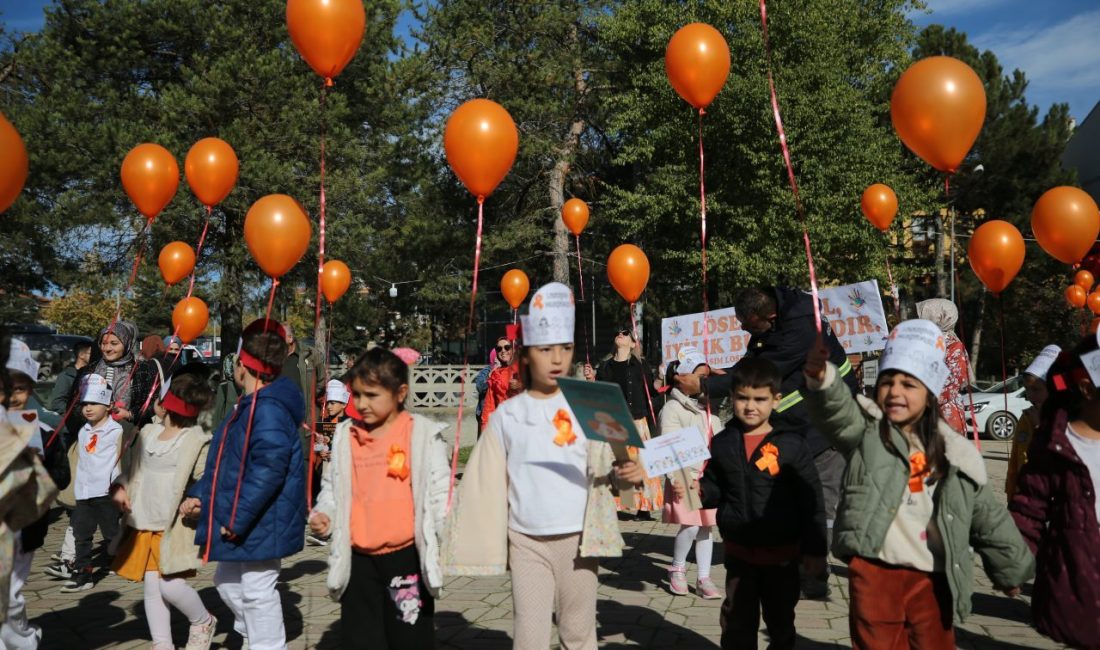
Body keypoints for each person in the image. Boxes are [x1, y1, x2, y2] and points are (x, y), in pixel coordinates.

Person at [804, 319, 1032, 648]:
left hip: (934, 576)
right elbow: (837, 412)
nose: (895, 392)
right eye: (888, 382)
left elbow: (988, 515)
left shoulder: (957, 454)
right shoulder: (867, 432)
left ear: (930, 393)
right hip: (874, 571)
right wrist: (822, 379)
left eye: (909, 384)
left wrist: (1010, 568)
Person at [444, 282, 646, 649]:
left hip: (580, 539)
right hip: (525, 540)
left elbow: (616, 467)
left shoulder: (591, 404)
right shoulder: (508, 414)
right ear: (525, 355)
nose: (556, 358)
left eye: (564, 349)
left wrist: (626, 474)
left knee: (578, 631)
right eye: (545, 349)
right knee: (529, 635)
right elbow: (483, 483)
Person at [679, 286, 856, 597]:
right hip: (797, 428)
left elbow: (766, 370)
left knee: (819, 507)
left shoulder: (800, 330)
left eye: (747, 323)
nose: (743, 327)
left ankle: (812, 576)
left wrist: (706, 384)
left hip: (826, 428)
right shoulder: (775, 324)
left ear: (768, 316)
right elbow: (754, 362)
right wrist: (727, 374)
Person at [308, 348, 451, 648]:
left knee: (410, 638)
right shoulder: (346, 436)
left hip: (406, 559)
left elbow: (440, 493)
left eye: (372, 395)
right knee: (363, 639)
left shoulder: (422, 435)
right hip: (359, 561)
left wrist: (446, 536)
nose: (362, 404)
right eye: (357, 395)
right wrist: (325, 515)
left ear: (400, 393)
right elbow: (332, 490)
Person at [179, 318, 306, 650]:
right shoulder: (246, 408)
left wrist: (237, 517)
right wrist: (199, 496)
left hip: (262, 518)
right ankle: (254, 634)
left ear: (243, 367)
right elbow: (226, 465)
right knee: (226, 581)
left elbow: (268, 469)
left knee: (257, 589)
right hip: (246, 515)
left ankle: (268, 645)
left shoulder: (269, 410)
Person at [700, 356, 826, 649]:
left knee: (780, 623)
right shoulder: (722, 442)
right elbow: (715, 486)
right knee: (736, 623)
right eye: (742, 397)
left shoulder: (792, 444)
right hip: (739, 554)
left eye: (760, 398)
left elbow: (812, 502)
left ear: (776, 399)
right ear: (732, 397)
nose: (750, 406)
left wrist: (815, 552)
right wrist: (701, 492)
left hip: (782, 557)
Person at [109, 371, 217, 650]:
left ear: (164, 403)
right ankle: (162, 644)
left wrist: (198, 502)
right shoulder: (149, 432)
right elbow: (133, 472)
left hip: (174, 525)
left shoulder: (196, 439)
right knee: (152, 587)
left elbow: (207, 478)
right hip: (144, 520)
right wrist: (120, 487)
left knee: (169, 585)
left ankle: (202, 620)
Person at [1010, 339, 1100, 649]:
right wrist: (1013, 562)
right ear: (1088, 390)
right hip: (1079, 585)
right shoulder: (1058, 444)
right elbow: (1029, 508)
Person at [2, 339, 67, 648]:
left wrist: (39, 467)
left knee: (10, 595)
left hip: (22, 527)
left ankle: (25, 640)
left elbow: (61, 477)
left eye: (19, 389)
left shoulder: (42, 431)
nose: (11, 398)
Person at [659, 346, 723, 599]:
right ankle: (677, 568)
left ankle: (704, 577)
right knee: (691, 526)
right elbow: (667, 444)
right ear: (681, 378)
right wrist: (674, 477)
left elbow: (716, 438)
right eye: (699, 375)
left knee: (706, 527)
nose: (704, 381)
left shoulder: (707, 408)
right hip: (684, 476)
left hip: (706, 478)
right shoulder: (673, 409)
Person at [62, 374, 124, 593]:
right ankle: (83, 572)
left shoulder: (116, 431)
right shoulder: (83, 431)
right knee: (82, 535)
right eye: (85, 404)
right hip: (84, 492)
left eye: (94, 403)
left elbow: (117, 461)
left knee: (111, 533)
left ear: (108, 406)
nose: (88, 408)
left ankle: (119, 560)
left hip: (105, 491)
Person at [595, 327, 662, 517]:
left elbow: (651, 391)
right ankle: (618, 505)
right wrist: (591, 379)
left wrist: (659, 377)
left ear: (633, 343)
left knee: (641, 465)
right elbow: (599, 394)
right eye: (617, 332)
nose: (620, 334)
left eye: (625, 332)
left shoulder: (640, 365)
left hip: (636, 420)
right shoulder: (605, 366)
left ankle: (643, 507)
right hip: (614, 422)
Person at [70, 321, 159, 433]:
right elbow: (74, 405)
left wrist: (129, 414)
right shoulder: (89, 370)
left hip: (130, 438)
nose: (107, 348)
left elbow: (155, 404)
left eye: (114, 343)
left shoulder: (143, 369)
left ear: (127, 343)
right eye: (104, 343)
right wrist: (91, 413)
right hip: (94, 436)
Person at [1004, 345, 1058, 499]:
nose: (1030, 396)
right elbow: (1015, 459)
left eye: (1036, 390)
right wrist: (1011, 491)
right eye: (1027, 389)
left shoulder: (1066, 419)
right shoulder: (1025, 418)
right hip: (1022, 497)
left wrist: (1039, 426)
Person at [916, 299, 973, 435]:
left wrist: (918, 400)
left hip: (944, 415)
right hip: (922, 412)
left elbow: (950, 385)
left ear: (938, 317)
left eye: (923, 316)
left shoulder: (954, 347)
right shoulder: (922, 343)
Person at [306, 379, 351, 547]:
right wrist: (321, 449)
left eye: (333, 403)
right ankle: (324, 532)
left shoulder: (350, 424)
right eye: (328, 403)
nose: (330, 406)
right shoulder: (323, 424)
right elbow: (319, 447)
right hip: (327, 469)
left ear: (343, 404)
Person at [479, 328, 521, 429]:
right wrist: (486, 430)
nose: (503, 351)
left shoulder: (523, 369)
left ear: (513, 349)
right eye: (499, 349)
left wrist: (520, 385)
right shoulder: (495, 375)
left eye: (507, 347)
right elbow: (489, 406)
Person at [48, 339, 93, 415]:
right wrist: (78, 413)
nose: (94, 356)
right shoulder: (66, 375)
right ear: (81, 355)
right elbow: (57, 403)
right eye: (91, 353)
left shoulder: (93, 374)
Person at [474, 341, 505, 435]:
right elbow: (480, 387)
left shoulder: (506, 370)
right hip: (485, 413)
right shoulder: (487, 370)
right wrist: (492, 375)